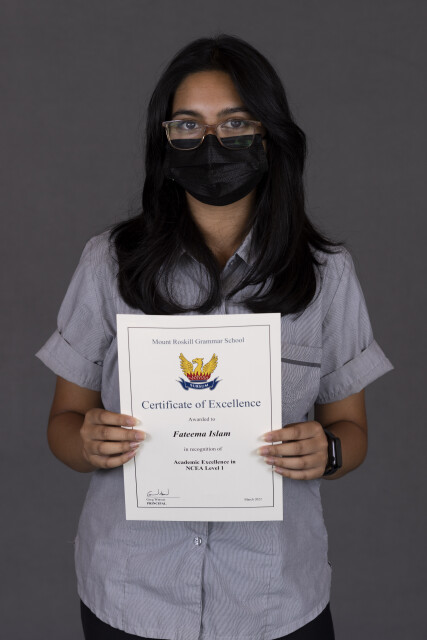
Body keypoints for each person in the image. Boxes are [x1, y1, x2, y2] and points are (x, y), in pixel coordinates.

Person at [36, 34, 393, 640]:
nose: (210, 143)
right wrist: (87, 443)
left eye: (234, 123)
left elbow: (350, 431)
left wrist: (328, 452)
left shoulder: (326, 275)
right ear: (164, 141)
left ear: (268, 136)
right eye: (188, 125)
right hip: (131, 593)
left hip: (274, 598)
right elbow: (64, 425)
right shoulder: (108, 263)